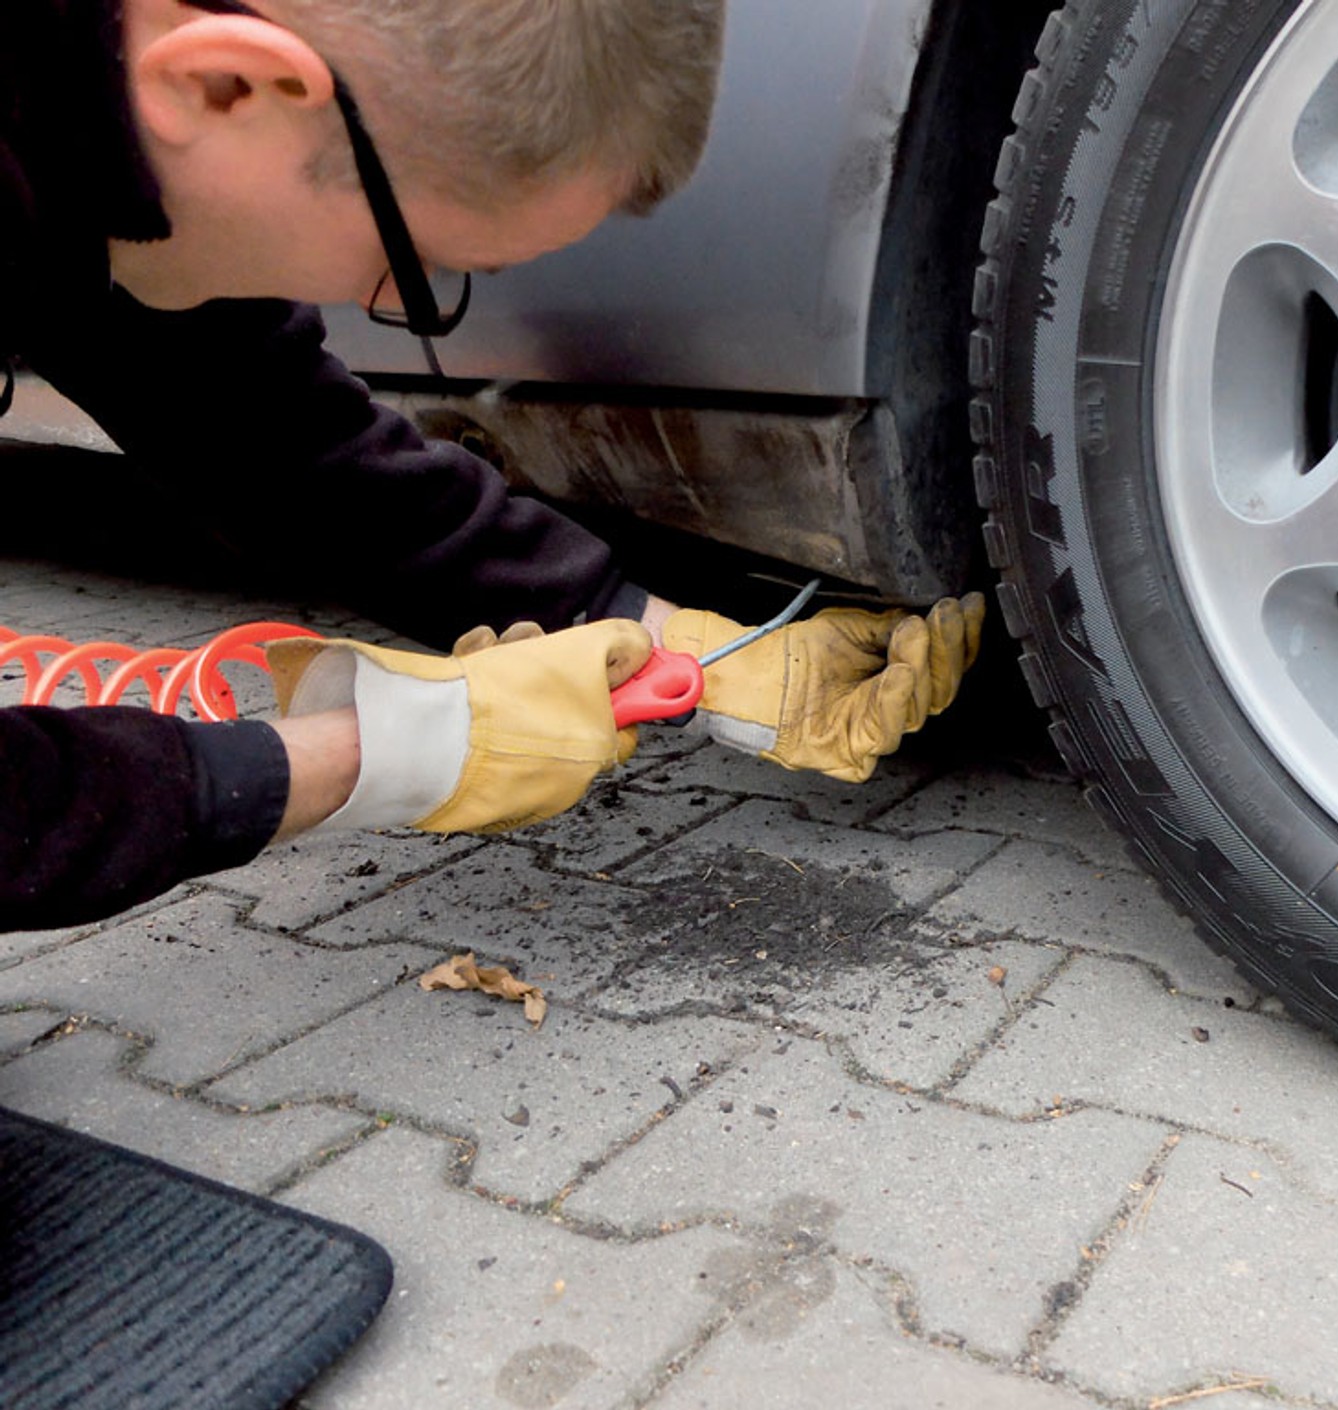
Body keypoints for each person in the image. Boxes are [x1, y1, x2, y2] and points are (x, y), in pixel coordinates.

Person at [0, 0, 983, 932]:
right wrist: (365, 758)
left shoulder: (89, 127)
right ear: (221, 86)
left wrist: (677, 644)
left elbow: (265, 430)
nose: (394, 296)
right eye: (419, 269)